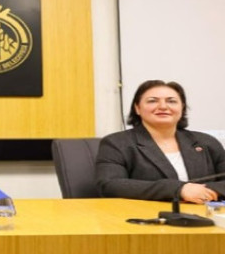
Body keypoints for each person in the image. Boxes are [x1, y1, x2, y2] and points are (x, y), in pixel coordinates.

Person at [95, 80, 225, 203]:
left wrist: (204, 192)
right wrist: (179, 190)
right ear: (137, 108)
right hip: (146, 214)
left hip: (206, 212)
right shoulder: (116, 143)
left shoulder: (206, 142)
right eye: (152, 101)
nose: (163, 106)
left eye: (171, 101)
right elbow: (109, 185)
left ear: (182, 108)